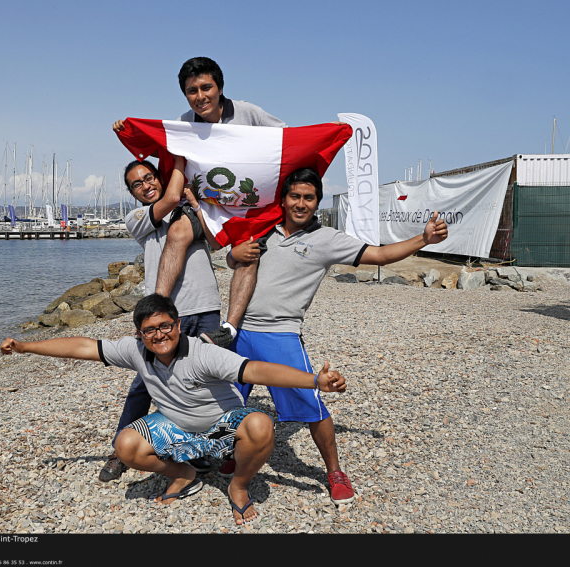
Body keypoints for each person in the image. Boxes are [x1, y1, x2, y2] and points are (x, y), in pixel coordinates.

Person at [0, 294, 347, 525]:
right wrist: (26, 346)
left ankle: (238, 486)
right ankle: (183, 475)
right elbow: (82, 346)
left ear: (179, 325)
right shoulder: (136, 351)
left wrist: (313, 381)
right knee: (125, 445)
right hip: (178, 430)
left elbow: (254, 370)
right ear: (139, 334)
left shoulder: (202, 353)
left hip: (222, 431)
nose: (160, 334)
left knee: (259, 425)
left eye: (166, 326)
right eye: (150, 330)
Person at [226, 167, 449, 504]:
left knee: (311, 405)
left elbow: (379, 254)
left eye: (308, 198)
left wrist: (423, 239)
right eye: (295, 196)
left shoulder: (327, 240)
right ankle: (231, 454)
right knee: (227, 402)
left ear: (316, 203)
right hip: (238, 329)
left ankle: (334, 472)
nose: (301, 203)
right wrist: (231, 255)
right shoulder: (262, 229)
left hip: (280, 333)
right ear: (284, 200)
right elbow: (235, 261)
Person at [112, 56, 288, 352]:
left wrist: (325, 136)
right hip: (206, 203)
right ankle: (155, 312)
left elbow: (286, 139)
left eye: (206, 88)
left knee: (248, 255)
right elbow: (157, 145)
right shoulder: (184, 124)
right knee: (178, 232)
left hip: (248, 203)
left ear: (220, 88)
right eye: (192, 91)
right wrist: (128, 131)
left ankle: (229, 327)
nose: (200, 96)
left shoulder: (246, 112)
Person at [97, 154, 223, 482]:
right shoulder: (138, 218)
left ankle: (205, 449)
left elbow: (218, 243)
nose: (145, 185)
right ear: (132, 193)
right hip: (162, 315)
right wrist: (180, 151)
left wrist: (197, 206)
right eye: (136, 183)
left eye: (149, 177)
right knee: (145, 385)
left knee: (206, 382)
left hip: (205, 306)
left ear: (160, 176)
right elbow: (169, 198)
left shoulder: (192, 209)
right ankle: (119, 450)